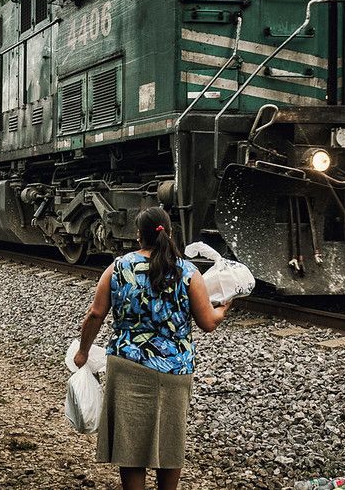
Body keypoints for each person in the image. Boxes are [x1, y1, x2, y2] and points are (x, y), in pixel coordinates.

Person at [74, 206, 231, 490]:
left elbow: (96, 314)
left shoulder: (118, 267)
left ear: (138, 237)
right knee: (169, 444)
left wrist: (83, 351)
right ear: (169, 233)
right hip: (174, 369)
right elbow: (208, 322)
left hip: (126, 366)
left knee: (130, 446)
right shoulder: (188, 272)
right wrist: (224, 308)